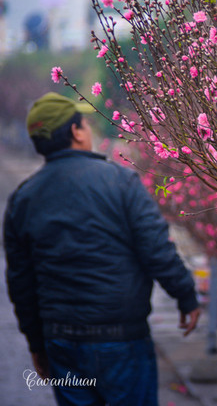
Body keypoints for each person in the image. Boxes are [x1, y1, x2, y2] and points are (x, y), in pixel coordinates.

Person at [3, 92, 201, 406]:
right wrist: (186, 295)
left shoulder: (23, 199)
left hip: (62, 340)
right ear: (76, 132)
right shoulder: (120, 183)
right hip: (122, 338)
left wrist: (36, 342)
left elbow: (21, 281)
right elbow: (155, 249)